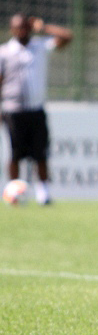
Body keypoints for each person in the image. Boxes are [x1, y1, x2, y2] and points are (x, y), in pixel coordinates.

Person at [0, 13, 73, 204]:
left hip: (36, 109)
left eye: (25, 27)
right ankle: (13, 190)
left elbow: (67, 36)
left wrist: (44, 27)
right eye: (18, 27)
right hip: (13, 110)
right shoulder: (5, 52)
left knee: (40, 152)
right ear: (12, 29)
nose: (22, 31)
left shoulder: (39, 46)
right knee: (15, 153)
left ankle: (44, 192)